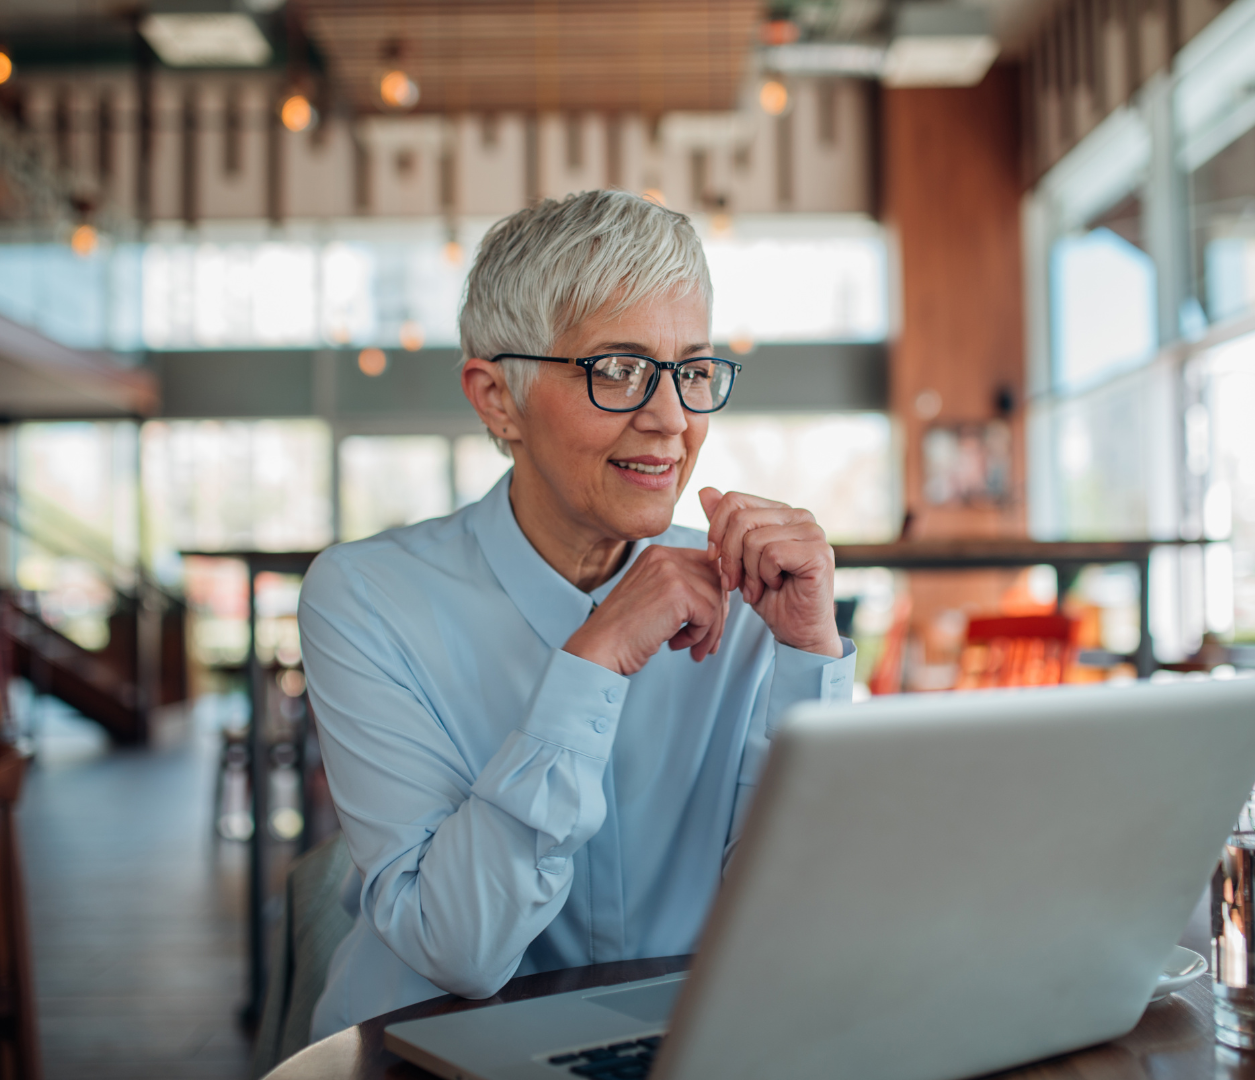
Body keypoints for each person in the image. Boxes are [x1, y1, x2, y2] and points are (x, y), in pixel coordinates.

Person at [300, 190, 856, 1040]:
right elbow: (461, 949)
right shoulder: (366, 600)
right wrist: (590, 662)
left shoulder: (752, 595)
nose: (670, 419)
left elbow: (801, 920)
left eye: (693, 371)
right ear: (496, 400)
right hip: (428, 1051)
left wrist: (808, 659)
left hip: (683, 1045)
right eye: (617, 369)